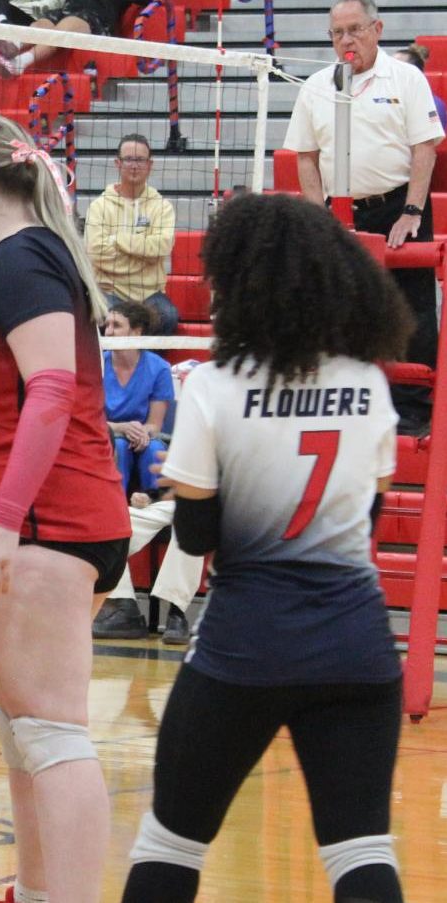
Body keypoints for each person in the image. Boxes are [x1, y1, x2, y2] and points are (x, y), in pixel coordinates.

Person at [119, 192, 413, 903]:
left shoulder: (215, 389)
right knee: (360, 850)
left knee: (170, 840)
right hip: (358, 650)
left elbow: (195, 538)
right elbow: (365, 519)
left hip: (242, 650)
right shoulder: (366, 383)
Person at [0, 114, 131, 903]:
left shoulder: (20, 258)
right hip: (57, 516)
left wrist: (5, 519)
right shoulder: (20, 262)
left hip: (49, 521)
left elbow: (49, 391)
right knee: (27, 731)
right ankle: (37, 890)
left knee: (49, 731)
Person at [285, 0, 443, 433]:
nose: (346, 40)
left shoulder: (406, 77)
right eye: (337, 33)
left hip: (399, 207)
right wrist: (320, 216)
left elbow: (425, 146)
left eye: (354, 29)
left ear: (377, 28)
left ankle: (411, 412)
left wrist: (412, 210)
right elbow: (306, 157)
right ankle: (349, 408)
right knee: (340, 309)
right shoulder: (317, 84)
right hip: (341, 213)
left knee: (412, 309)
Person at [84, 135, 179, 335]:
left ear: (150, 164)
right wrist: (144, 257)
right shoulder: (99, 206)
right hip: (110, 292)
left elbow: (161, 248)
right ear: (118, 163)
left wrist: (118, 240)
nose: (134, 166)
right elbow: (96, 254)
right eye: (128, 159)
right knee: (102, 315)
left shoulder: (162, 207)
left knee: (168, 315)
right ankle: (110, 366)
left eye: (140, 160)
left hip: (149, 294)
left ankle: (146, 365)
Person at [92, 491, 201, 644]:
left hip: (198, 504)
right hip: (155, 506)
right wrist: (145, 497)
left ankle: (177, 613)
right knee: (108, 516)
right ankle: (124, 609)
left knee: (192, 513)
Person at [0, 0, 135, 77]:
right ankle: (11, 47)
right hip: (65, 9)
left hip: (96, 17)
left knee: (64, 28)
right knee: (43, 23)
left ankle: (19, 63)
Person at [103, 300, 173, 495]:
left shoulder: (159, 368)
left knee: (154, 448)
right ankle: (115, 508)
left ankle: (156, 506)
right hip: (107, 433)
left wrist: (142, 432)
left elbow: (155, 425)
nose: (108, 332)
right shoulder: (98, 364)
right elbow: (91, 421)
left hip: (143, 436)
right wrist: (121, 428)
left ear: (137, 331)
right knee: (119, 445)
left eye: (116, 326)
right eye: (106, 325)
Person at [394, 43, 447, 125]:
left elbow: (433, 136)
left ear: (414, 73)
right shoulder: (385, 98)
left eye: (396, 68)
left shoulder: (433, 106)